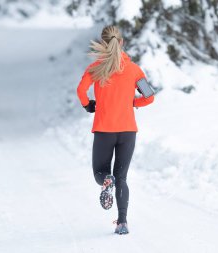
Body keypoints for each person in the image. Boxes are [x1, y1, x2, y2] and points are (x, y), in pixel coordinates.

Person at [76, 25, 155, 235]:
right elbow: (150, 96)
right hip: (128, 132)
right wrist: (132, 103)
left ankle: (105, 180)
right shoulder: (134, 69)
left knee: (100, 173)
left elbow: (81, 90)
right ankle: (122, 223)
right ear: (121, 43)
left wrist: (89, 105)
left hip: (104, 131)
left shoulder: (95, 68)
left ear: (104, 44)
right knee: (122, 178)